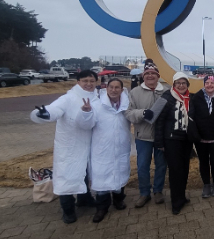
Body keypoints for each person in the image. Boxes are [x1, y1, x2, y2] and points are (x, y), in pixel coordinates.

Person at [30, 70, 99, 224]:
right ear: (78, 82)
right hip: (70, 145)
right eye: (85, 80)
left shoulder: (96, 98)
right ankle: (67, 209)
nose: (89, 84)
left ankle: (84, 198)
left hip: (89, 144)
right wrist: (46, 113)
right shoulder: (68, 98)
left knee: (85, 173)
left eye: (92, 81)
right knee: (67, 176)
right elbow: (55, 108)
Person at [124, 60, 168, 208]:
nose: (150, 76)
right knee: (143, 166)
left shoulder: (166, 91)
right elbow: (128, 113)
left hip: (161, 136)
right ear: (143, 76)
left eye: (153, 74)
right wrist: (142, 113)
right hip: (143, 136)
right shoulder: (135, 92)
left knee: (161, 165)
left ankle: (158, 191)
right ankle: (144, 193)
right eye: (147, 73)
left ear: (158, 76)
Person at [89, 78, 130, 223]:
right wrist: (85, 113)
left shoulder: (126, 105)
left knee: (120, 173)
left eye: (117, 87)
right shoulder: (96, 105)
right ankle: (102, 207)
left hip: (121, 146)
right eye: (111, 87)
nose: (114, 90)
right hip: (102, 148)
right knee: (102, 177)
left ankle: (118, 200)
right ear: (106, 89)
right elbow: (87, 123)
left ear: (121, 89)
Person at [155, 72, 193, 215]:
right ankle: (176, 202)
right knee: (175, 171)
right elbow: (159, 121)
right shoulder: (166, 97)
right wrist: (159, 142)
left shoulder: (190, 97)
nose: (181, 85)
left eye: (184, 83)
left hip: (186, 139)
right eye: (178, 83)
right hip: (171, 139)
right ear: (174, 84)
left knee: (184, 169)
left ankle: (181, 196)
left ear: (187, 85)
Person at [191, 75, 214, 198]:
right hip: (201, 137)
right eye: (207, 83)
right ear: (204, 84)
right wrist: (195, 133)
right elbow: (192, 116)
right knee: (204, 162)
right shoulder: (197, 97)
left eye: (212, 83)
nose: (210, 85)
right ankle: (206, 184)